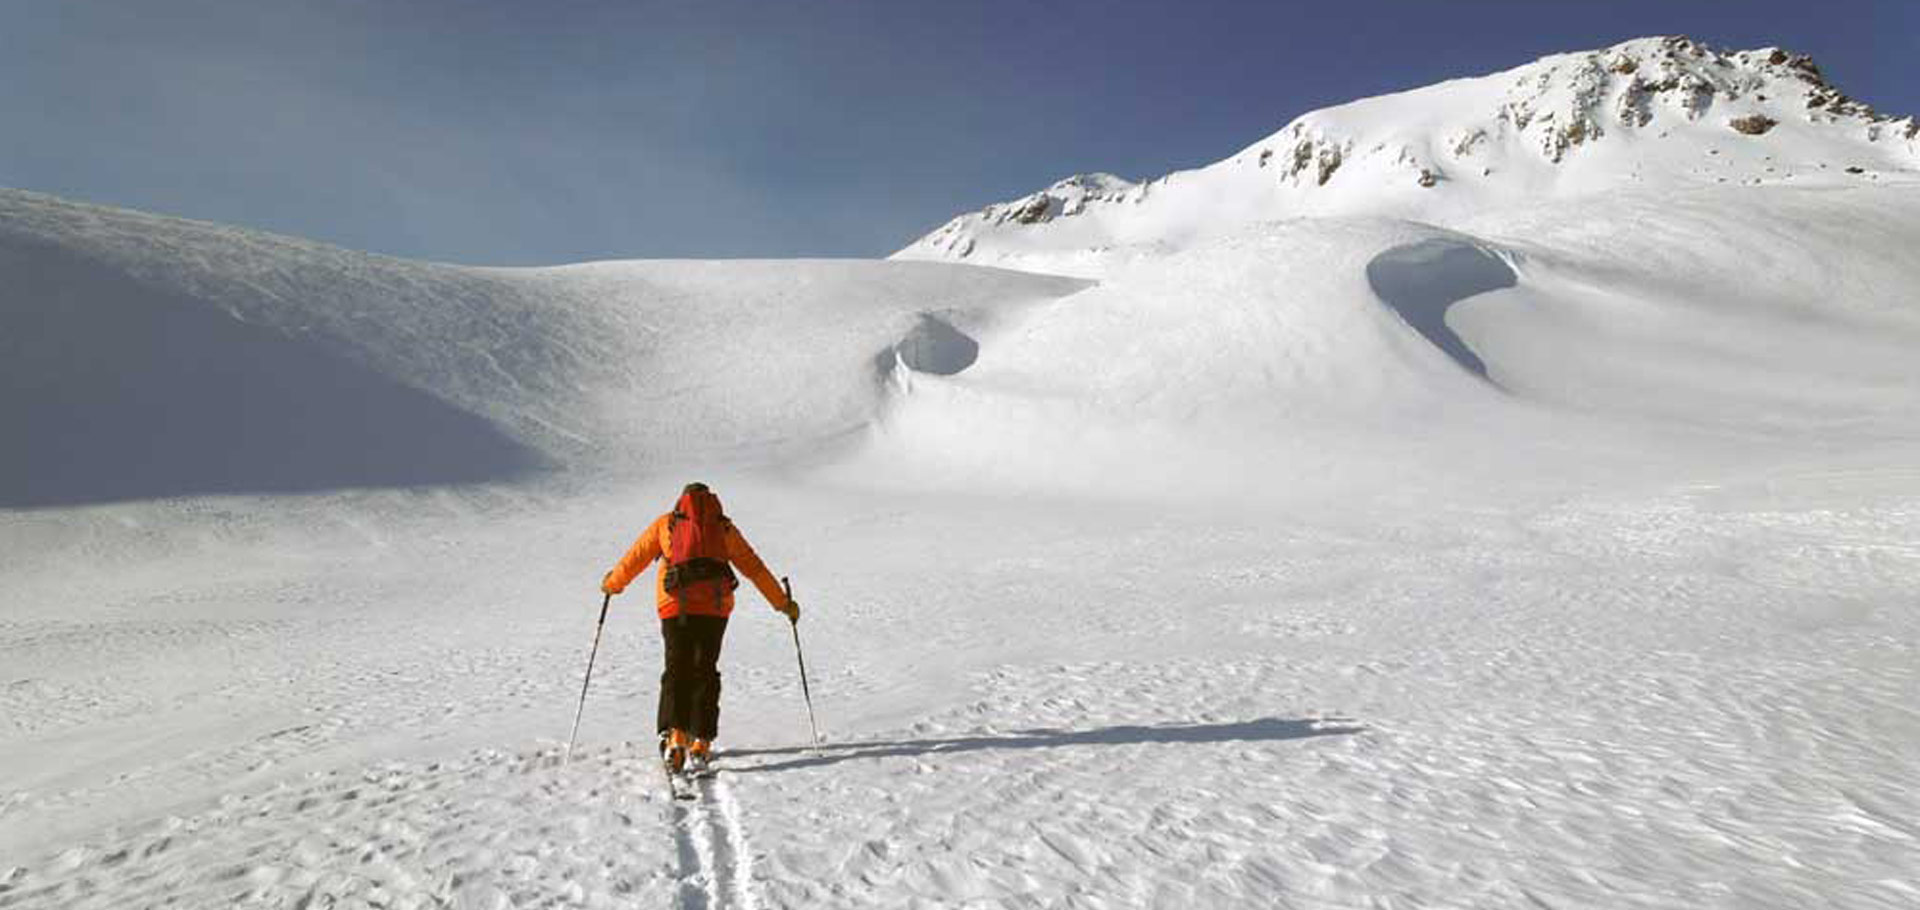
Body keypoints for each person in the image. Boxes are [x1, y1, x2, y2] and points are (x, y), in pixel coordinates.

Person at [601, 482, 798, 773]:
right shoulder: (723, 528)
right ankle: (702, 742)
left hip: (674, 605)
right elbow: (754, 567)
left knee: (677, 667)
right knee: (705, 668)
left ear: (681, 501)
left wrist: (612, 584)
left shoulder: (666, 524)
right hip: (715, 608)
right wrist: (783, 604)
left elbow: (636, 557)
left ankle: (676, 737)